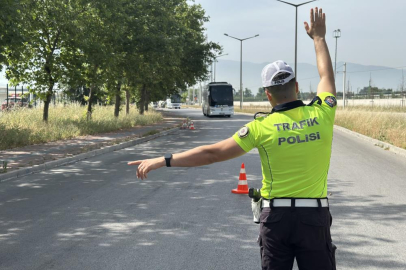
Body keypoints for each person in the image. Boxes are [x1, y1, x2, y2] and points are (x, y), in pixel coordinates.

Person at [128, 7, 337, 270]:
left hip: (277, 219)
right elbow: (326, 76)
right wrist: (319, 38)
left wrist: (164, 159)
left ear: (268, 94)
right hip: (314, 218)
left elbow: (211, 153)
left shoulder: (261, 127)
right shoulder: (323, 112)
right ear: (296, 87)